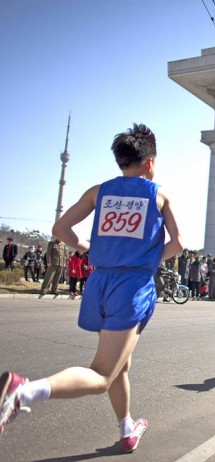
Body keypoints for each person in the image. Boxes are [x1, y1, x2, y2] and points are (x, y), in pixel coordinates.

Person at [0, 123, 183, 452]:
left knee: (120, 364)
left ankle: (127, 428)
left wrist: (86, 247)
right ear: (150, 162)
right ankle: (22, 391)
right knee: (101, 375)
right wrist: (146, 258)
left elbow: (60, 228)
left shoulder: (98, 192)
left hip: (99, 283)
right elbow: (178, 244)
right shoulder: (159, 196)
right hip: (132, 285)